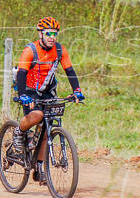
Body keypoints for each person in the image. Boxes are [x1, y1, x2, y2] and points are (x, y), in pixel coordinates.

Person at [10, 17, 84, 182]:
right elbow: (22, 73)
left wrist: (77, 91)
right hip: (29, 89)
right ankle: (19, 131)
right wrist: (23, 95)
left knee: (47, 128)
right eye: (48, 33)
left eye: (55, 34)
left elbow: (69, 70)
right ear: (40, 34)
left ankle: (39, 167)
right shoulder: (30, 50)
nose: (52, 37)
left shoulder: (59, 50)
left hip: (48, 91)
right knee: (37, 116)